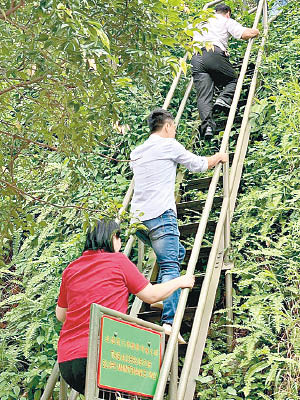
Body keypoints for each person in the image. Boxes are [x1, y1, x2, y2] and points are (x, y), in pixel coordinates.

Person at [56, 219, 195, 395]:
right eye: (119, 237)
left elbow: (61, 315)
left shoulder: (71, 269)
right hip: (103, 356)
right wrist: (180, 281)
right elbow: (151, 295)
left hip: (68, 360)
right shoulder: (118, 261)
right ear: (112, 237)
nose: (121, 243)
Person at [130, 108, 228, 342]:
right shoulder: (169, 145)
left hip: (138, 221)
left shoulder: (137, 152)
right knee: (171, 267)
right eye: (174, 127)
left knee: (176, 253)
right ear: (167, 127)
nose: (175, 132)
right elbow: (198, 165)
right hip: (161, 216)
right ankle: (168, 322)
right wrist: (219, 157)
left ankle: (162, 295)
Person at [191, 3, 260, 139]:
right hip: (214, 53)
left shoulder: (201, 22)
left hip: (196, 58)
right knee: (234, 80)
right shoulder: (225, 20)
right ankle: (223, 99)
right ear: (227, 12)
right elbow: (245, 34)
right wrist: (257, 31)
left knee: (204, 96)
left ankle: (208, 127)